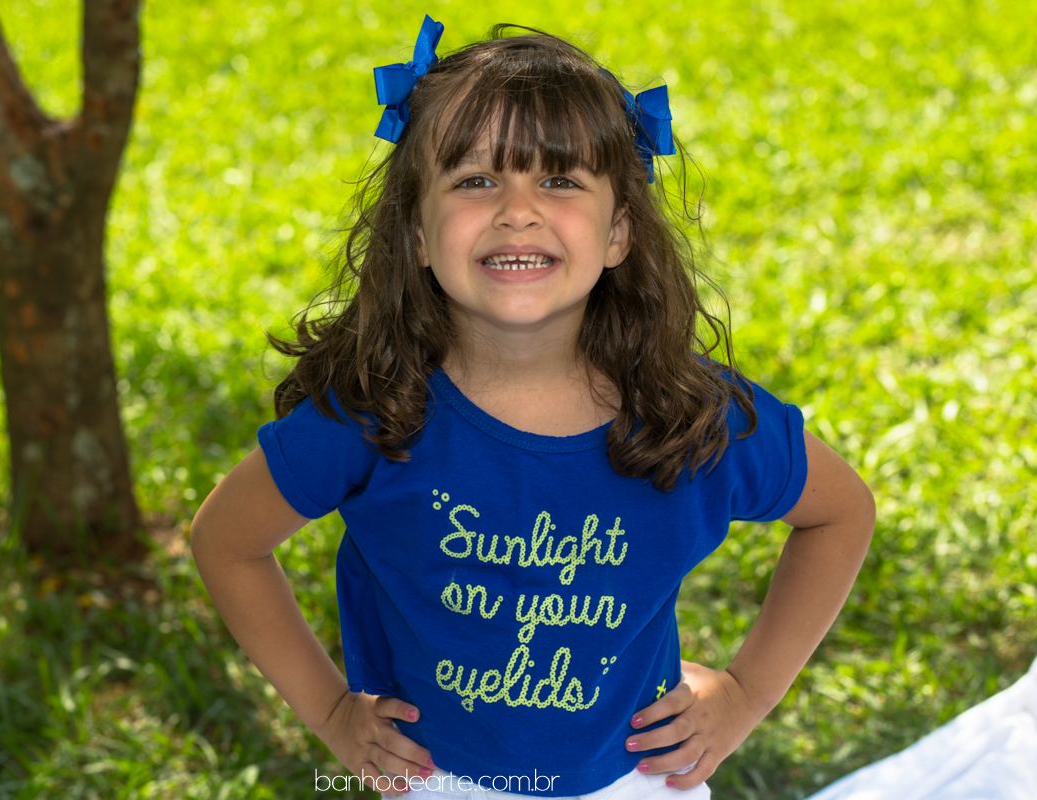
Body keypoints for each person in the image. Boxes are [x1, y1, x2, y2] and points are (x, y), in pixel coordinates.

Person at [191, 16, 875, 800]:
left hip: (640, 781)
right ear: (417, 231)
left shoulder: (689, 413)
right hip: (434, 782)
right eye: (475, 180)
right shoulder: (376, 411)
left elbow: (840, 511)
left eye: (559, 179)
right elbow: (226, 540)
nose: (517, 210)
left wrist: (748, 694)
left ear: (619, 231)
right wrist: (332, 713)